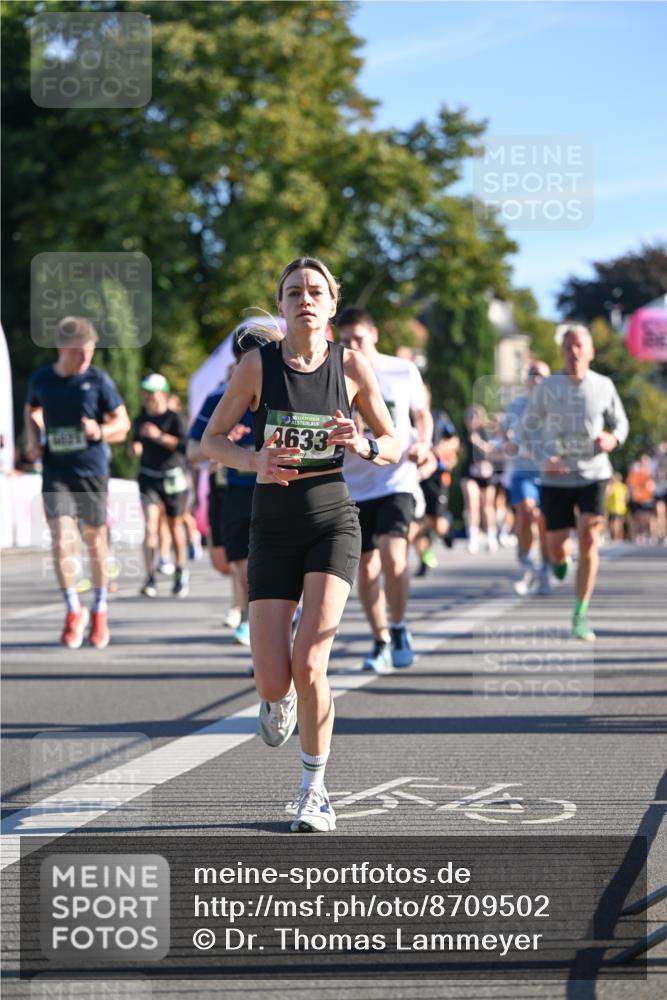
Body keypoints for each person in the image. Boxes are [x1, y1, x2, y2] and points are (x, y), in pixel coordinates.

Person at [201, 258, 400, 833]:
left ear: (332, 305)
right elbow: (212, 441)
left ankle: (314, 790)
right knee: (273, 677)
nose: (305, 299)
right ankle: (277, 698)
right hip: (273, 528)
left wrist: (361, 443)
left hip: (333, 522)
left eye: (316, 291)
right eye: (294, 292)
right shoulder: (255, 367)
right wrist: (253, 458)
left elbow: (391, 442)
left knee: (312, 662)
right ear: (282, 305)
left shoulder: (353, 366)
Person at [336, 307, 433, 673]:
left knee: (394, 557)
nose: (353, 346)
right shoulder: (334, 374)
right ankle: (380, 640)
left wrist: (424, 443)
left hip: (396, 477)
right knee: (366, 567)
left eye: (359, 338)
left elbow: (421, 414)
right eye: (346, 341)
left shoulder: (402, 370)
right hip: (354, 485)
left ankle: (399, 626)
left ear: (374, 334)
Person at [24, 316, 130, 648]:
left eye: (89, 352)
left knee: (94, 541)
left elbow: (122, 424)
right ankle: (73, 609)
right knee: (59, 540)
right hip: (56, 471)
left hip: (91, 471)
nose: (85, 359)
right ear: (61, 348)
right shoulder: (42, 379)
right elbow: (31, 411)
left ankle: (99, 609)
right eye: (78, 353)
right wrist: (33, 439)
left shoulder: (99, 380)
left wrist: (100, 431)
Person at [524, 325, 629, 640]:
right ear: (562, 352)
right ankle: (558, 562)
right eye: (568, 346)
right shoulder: (548, 387)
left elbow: (621, 422)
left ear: (591, 351)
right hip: (556, 478)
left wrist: (614, 437)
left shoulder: (604, 385)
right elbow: (526, 428)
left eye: (580, 345)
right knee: (558, 547)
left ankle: (580, 613)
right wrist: (544, 458)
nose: (574, 352)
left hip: (593, 474)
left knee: (589, 539)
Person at [188, 330, 263, 646]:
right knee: (236, 564)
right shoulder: (220, 398)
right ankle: (251, 618)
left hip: (279, 492)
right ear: (238, 361)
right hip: (234, 491)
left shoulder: (287, 394)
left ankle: (262, 621)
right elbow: (193, 452)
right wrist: (223, 443)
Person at [129, 374, 190, 598]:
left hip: (173, 477)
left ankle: (181, 571)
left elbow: (184, 446)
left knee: (175, 527)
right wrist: (134, 448)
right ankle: (150, 577)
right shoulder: (141, 418)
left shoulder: (174, 418)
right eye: (144, 393)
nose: (147, 397)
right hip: (148, 477)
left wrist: (159, 436)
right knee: (150, 526)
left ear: (163, 394)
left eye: (151, 393)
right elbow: (135, 441)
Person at [504, 361, 552, 595]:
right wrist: (508, 440)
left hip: (549, 474)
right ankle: (527, 563)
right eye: (533, 374)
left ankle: (545, 568)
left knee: (544, 524)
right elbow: (503, 431)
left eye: (542, 375)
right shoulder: (516, 405)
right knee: (525, 511)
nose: (537, 379)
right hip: (523, 470)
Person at [413, 387, 459, 576]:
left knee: (436, 522)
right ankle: (424, 558)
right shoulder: (406, 418)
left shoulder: (439, 416)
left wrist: (442, 448)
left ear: (429, 396)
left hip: (436, 476)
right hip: (413, 475)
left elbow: (454, 440)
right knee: (416, 520)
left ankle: (445, 529)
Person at [459, 405, 497, 553]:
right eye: (469, 416)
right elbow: (462, 452)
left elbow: (492, 452)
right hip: (469, 472)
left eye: (474, 416)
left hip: (487, 474)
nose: (471, 419)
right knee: (471, 503)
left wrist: (478, 442)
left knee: (487, 506)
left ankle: (491, 535)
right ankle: (472, 536)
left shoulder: (486, 432)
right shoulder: (464, 433)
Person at [626, 454, 656, 543]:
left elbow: (653, 486)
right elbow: (630, 484)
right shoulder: (635, 473)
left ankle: (648, 534)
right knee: (638, 517)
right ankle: (639, 534)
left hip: (647, 498)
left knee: (647, 518)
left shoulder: (651, 472)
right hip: (637, 498)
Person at [605, 471, 629, 542]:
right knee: (616, 524)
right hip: (617, 508)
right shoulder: (622, 486)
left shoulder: (614, 486)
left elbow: (606, 495)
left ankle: (617, 538)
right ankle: (617, 537)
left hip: (617, 509)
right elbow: (627, 497)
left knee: (617, 524)